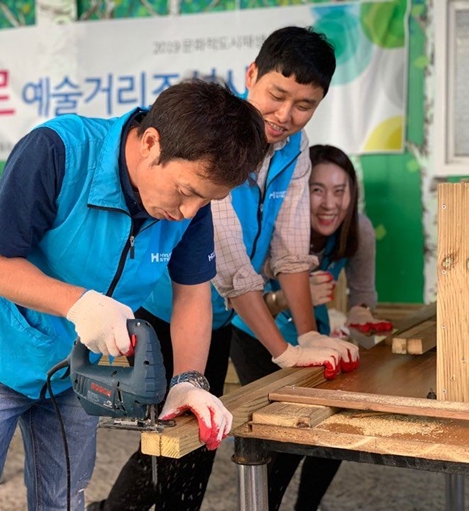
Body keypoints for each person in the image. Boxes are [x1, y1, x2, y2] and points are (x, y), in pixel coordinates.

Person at [0, 79, 269, 511]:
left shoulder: (193, 206)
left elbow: (192, 296)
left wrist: (188, 380)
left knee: (64, 500)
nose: (188, 213)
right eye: (185, 192)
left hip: (75, 368)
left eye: (205, 201)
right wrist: (78, 303)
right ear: (151, 143)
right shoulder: (57, 151)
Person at [91, 26, 359, 511]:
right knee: (165, 444)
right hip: (165, 309)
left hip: (211, 317)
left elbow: (292, 249)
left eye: (305, 105)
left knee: (199, 443)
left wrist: (306, 335)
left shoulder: (295, 150)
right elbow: (231, 266)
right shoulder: (219, 139)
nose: (286, 115)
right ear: (251, 74)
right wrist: (282, 351)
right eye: (277, 95)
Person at [230, 144, 393, 511]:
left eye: (340, 191)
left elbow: (362, 296)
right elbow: (241, 288)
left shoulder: (359, 230)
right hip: (255, 332)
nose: (329, 203)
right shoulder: (280, 226)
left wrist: (361, 317)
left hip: (310, 333)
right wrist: (289, 295)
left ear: (353, 193)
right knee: (285, 432)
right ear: (300, 190)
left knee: (334, 428)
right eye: (317, 189)